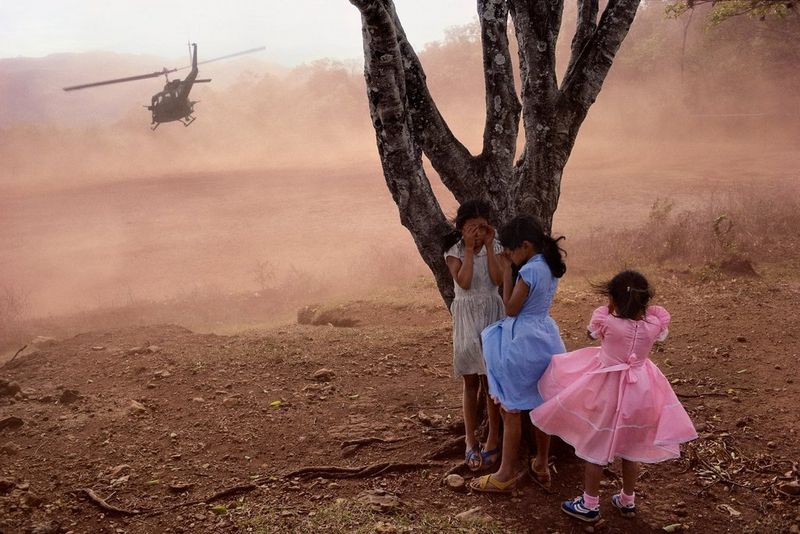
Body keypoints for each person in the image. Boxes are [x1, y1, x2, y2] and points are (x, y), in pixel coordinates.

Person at [530, 270, 697, 523]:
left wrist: (611, 311)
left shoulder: (606, 321)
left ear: (613, 300)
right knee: (632, 447)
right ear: (645, 301)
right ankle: (627, 499)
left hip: (607, 387)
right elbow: (649, 324)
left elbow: (592, 334)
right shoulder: (654, 325)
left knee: (596, 445)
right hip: (641, 390)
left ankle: (589, 504)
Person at [469, 215, 566, 493]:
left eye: (511, 250)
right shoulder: (547, 265)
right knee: (541, 405)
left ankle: (505, 474)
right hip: (544, 337)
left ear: (525, 245)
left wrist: (508, 271)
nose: (508, 255)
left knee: (510, 410)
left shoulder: (528, 271)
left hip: (520, 341)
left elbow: (511, 309)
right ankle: (542, 463)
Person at [443, 200, 505, 471]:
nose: (477, 233)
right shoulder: (454, 251)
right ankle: (470, 440)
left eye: (481, 227)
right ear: (461, 228)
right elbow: (465, 282)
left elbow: (497, 279)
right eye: (471, 228)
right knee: (471, 381)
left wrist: (490, 247)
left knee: (491, 381)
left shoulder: (497, 246)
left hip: (492, 313)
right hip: (468, 317)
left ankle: (493, 438)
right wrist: (468, 249)